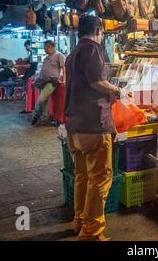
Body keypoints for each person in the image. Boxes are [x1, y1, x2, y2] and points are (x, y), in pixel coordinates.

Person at [65, 16, 121, 241]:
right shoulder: (93, 49)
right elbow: (98, 82)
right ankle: (92, 232)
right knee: (100, 179)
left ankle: (79, 221)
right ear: (98, 30)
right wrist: (117, 90)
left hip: (75, 127)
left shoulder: (73, 53)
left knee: (82, 177)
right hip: (93, 125)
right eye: (102, 32)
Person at [32, 40, 65, 126]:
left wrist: (64, 79)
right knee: (44, 101)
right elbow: (43, 70)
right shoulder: (46, 57)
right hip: (42, 81)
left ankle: (35, 116)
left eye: (45, 48)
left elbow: (64, 67)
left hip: (51, 82)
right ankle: (44, 118)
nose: (44, 50)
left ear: (50, 47)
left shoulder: (59, 55)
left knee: (41, 100)